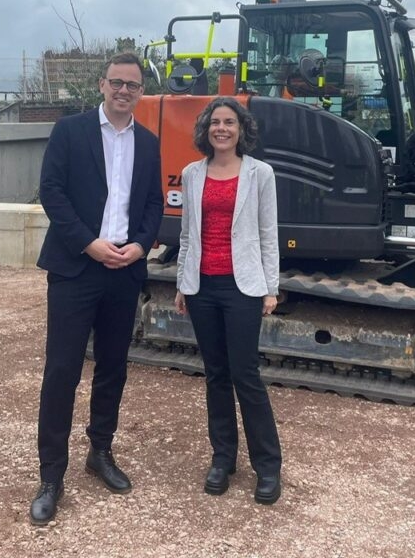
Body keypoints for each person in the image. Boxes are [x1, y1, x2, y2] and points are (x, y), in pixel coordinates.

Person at [30, 52, 164, 526]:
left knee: (113, 368)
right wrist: (89, 244)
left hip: (123, 271)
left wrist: (141, 246)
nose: (124, 90)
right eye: (117, 82)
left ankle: (100, 451)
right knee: (62, 370)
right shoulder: (70, 131)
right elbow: (52, 191)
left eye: (133, 84)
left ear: (141, 91)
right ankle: (51, 476)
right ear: (102, 86)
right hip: (76, 268)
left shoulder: (148, 143)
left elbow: (152, 203)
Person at [173, 97, 283, 505]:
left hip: (243, 288)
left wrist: (270, 287)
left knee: (246, 375)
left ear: (241, 129)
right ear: (206, 129)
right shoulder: (191, 174)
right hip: (203, 286)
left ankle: (268, 467)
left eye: (229, 122)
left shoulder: (260, 174)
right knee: (216, 375)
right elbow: (188, 235)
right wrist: (183, 282)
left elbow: (268, 232)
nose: (222, 128)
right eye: (215, 122)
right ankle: (223, 458)